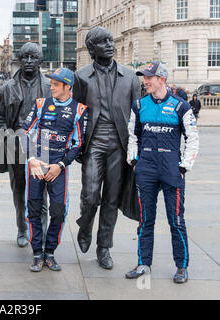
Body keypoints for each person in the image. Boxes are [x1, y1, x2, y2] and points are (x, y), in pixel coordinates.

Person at [73, 26, 141, 269]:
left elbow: (137, 115)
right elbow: (76, 114)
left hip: (119, 146)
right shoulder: (81, 76)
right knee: (91, 196)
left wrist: (137, 149)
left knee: (111, 199)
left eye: (111, 40)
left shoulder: (130, 77)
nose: (110, 45)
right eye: (102, 42)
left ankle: (104, 248)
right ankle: (85, 225)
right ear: (92, 49)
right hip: (93, 144)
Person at [125, 62, 199, 283]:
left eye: (149, 77)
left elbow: (193, 138)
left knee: (176, 220)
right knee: (145, 220)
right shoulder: (139, 105)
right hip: (146, 169)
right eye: (144, 77)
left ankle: (181, 266)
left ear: (162, 79)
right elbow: (133, 136)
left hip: (171, 171)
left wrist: (184, 166)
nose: (145, 81)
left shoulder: (181, 106)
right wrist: (134, 161)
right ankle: (143, 263)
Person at [20, 68, 88, 272]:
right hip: (36, 164)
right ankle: (37, 254)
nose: (52, 87)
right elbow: (24, 132)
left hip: (58, 166)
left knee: (58, 211)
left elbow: (78, 143)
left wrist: (60, 165)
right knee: (33, 209)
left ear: (68, 87)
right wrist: (32, 159)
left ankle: (49, 252)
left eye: (56, 85)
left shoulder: (79, 110)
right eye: (51, 84)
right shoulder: (41, 104)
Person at [0, 42, 51, 248]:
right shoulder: (8, 87)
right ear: (19, 60)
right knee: (18, 190)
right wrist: (7, 137)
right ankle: (22, 227)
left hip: (42, 143)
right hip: (15, 142)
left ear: (40, 61)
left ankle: (41, 230)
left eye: (33, 57)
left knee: (41, 189)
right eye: (25, 57)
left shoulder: (48, 86)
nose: (28, 61)